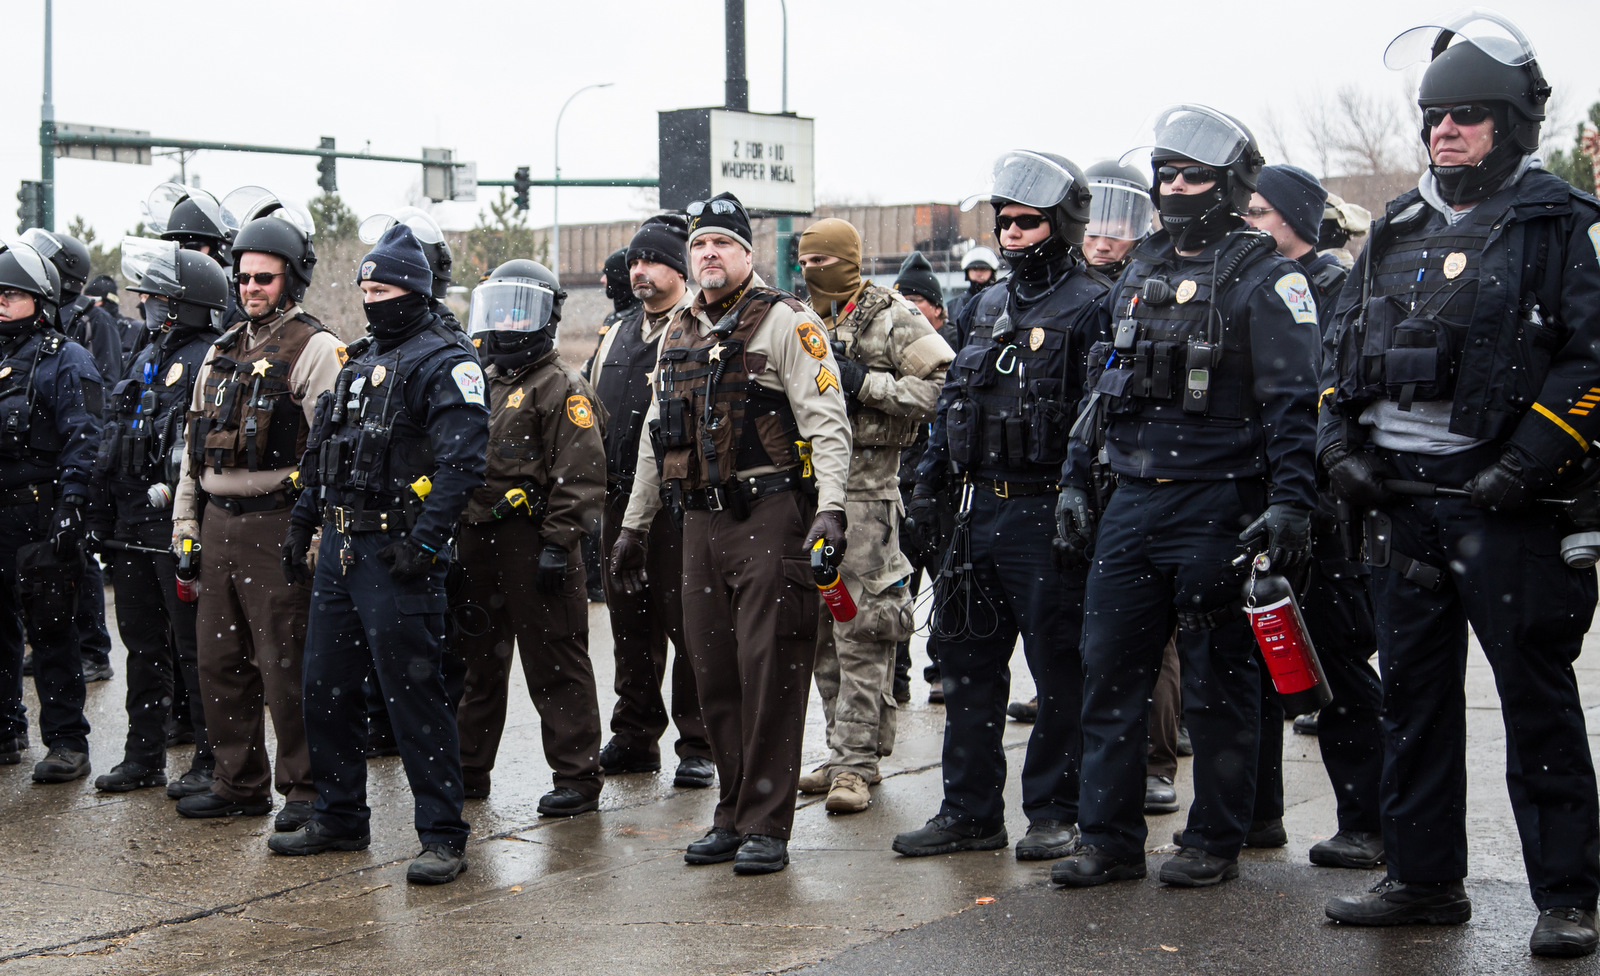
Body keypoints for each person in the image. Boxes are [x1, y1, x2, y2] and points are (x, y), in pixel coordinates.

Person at [1319, 12, 1600, 957]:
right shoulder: (1394, 226)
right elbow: (1340, 352)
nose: (1445, 133)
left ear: (1511, 122)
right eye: (1436, 118)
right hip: (1401, 508)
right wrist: (1339, 451)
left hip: (1510, 506)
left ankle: (1567, 895)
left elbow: (1593, 359)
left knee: (1537, 704)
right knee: (1416, 702)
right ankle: (1424, 879)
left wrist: (1526, 464)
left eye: (1468, 117)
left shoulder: (1562, 225)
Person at [1051, 105, 1319, 889]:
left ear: (1230, 184)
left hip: (1219, 503)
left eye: (1191, 175)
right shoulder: (1142, 267)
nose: (1173, 187)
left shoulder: (1268, 276)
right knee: (1108, 673)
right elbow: (1106, 384)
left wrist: (1291, 502)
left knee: (1217, 682)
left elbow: (1293, 403)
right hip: (1132, 500)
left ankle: (1215, 838)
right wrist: (1075, 476)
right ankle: (1107, 839)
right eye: (1166, 173)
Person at [610, 191, 852, 874]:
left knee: (770, 668)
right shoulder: (679, 330)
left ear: (747, 253)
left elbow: (828, 424)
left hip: (769, 515)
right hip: (697, 521)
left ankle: (767, 823)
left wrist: (831, 509)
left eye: (722, 242)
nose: (709, 253)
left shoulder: (786, 323)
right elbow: (656, 444)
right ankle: (731, 811)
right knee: (713, 673)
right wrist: (634, 525)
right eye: (700, 244)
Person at [895, 151, 1108, 862]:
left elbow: (1099, 417)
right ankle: (970, 810)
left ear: (1061, 222)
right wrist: (926, 488)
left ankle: (1055, 809)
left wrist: (1082, 497)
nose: (1012, 234)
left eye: (1027, 222)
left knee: (1058, 668)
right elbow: (950, 403)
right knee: (965, 664)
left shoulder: (1094, 302)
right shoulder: (983, 305)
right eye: (1005, 221)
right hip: (975, 511)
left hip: (1050, 513)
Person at [271, 224, 488, 886]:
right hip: (338, 549)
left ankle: (442, 833)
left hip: (398, 554)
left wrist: (425, 542)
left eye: (384, 289)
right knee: (324, 690)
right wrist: (301, 522)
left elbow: (462, 465)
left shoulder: (446, 361)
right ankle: (340, 816)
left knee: (413, 697)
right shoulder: (360, 360)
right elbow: (324, 453)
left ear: (415, 291)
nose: (373, 300)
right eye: (365, 289)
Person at [169, 196, 343, 830]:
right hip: (217, 522)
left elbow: (332, 453)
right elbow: (193, 452)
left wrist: (318, 532)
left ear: (291, 278)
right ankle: (238, 782)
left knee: (286, 663)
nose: (250, 288)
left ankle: (305, 791)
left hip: (279, 524)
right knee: (220, 662)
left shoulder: (317, 348)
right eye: (242, 276)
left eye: (263, 277)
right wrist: (186, 526)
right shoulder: (219, 351)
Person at [1241, 163, 1384, 868]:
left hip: (1324, 511)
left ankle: (1369, 821)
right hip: (1260, 504)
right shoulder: (1252, 284)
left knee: (1339, 666)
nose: (1250, 221)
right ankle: (1260, 813)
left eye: (1263, 212)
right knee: (1261, 662)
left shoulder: (1336, 288)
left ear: (1298, 219)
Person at [794, 220, 953, 814]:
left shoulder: (889, 314)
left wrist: (865, 383)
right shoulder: (794, 315)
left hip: (867, 492)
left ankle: (857, 766)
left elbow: (943, 386)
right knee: (819, 636)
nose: (814, 269)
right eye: (805, 259)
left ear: (851, 260)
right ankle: (842, 752)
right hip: (809, 494)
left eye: (825, 259)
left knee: (861, 628)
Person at [451, 258, 608, 812]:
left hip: (534, 541)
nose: (507, 325)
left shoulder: (561, 387)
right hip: (477, 541)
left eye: (521, 312)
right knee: (478, 665)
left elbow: (582, 476)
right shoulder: (480, 382)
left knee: (556, 662)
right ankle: (469, 768)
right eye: (500, 311)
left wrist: (558, 544)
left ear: (546, 318)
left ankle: (576, 776)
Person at [1006, 157, 1156, 728]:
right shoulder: (1026, 298)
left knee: (1135, 641)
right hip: (1050, 488)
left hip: (1119, 484)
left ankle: (1155, 754)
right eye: (1095, 222)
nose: (1103, 238)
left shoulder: (1125, 292)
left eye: (1119, 223)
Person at [88, 242, 225, 796]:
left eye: (158, 298)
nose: (145, 305)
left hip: (173, 524)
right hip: (130, 524)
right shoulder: (148, 352)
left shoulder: (205, 358)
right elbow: (114, 433)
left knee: (195, 649)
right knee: (142, 643)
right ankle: (143, 754)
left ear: (184, 304)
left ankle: (213, 759)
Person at [589, 216, 714, 789]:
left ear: (680, 268)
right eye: (635, 262)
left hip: (677, 505)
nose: (639, 271)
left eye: (654, 261)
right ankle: (635, 735)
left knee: (689, 627)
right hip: (618, 502)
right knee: (628, 624)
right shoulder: (615, 333)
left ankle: (698, 742)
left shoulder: (699, 329)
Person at [0, 239, 102, 782]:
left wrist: (73, 505)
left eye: (11, 294)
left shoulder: (67, 358)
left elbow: (85, 438)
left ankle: (66, 741)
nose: (1, 302)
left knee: (53, 632)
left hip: (41, 514)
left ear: (39, 299)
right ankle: (6, 727)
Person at [19, 230, 118, 687]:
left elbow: (102, 387)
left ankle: (94, 647)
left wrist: (81, 486)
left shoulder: (87, 323)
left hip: (71, 463)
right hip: (31, 477)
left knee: (76, 560)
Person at [889, 251, 955, 704]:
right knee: (895, 591)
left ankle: (945, 670)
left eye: (918, 299)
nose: (910, 306)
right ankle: (894, 677)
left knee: (949, 588)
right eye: (903, 298)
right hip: (897, 488)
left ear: (938, 309)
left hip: (946, 493)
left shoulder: (957, 352)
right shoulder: (887, 352)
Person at [149, 182, 247, 328]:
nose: (182, 254)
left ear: (218, 251)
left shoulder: (236, 308)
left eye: (192, 247)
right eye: (176, 247)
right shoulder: (164, 302)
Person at [945, 246, 1001, 350]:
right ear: (967, 272)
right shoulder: (954, 305)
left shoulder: (1001, 300)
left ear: (992, 272)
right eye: (974, 269)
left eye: (983, 269)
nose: (978, 273)